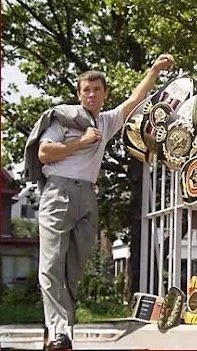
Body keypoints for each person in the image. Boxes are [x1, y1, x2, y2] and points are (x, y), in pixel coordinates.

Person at [33, 54, 174, 350]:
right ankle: (59, 331)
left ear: (105, 93)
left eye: (97, 89)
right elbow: (44, 154)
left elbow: (136, 99)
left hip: (87, 196)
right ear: (78, 94)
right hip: (58, 193)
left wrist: (155, 69)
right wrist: (81, 143)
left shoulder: (106, 121)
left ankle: (60, 333)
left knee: (73, 269)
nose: (92, 94)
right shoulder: (63, 118)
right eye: (86, 90)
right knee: (51, 267)